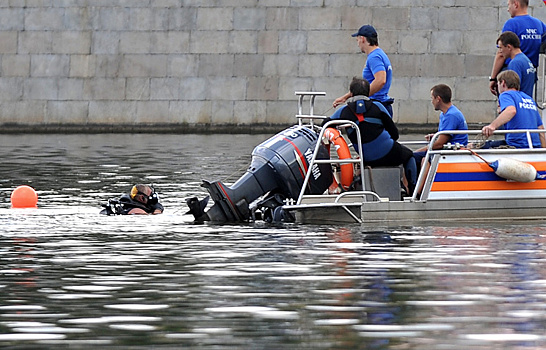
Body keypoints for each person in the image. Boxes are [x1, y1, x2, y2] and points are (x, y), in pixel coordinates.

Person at [323, 77, 416, 195]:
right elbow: (394, 134)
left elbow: (325, 124)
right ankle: (413, 191)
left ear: (351, 93)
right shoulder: (378, 106)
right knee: (409, 156)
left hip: (365, 158)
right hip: (387, 152)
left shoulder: (343, 111)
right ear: (368, 92)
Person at [413, 84, 468, 196]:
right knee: (415, 156)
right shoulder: (446, 114)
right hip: (445, 149)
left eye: (432, 98)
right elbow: (446, 135)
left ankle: (416, 192)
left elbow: (439, 144)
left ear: (438, 99)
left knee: (412, 157)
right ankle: (415, 189)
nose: (431, 101)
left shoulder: (451, 115)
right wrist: (435, 136)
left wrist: (418, 150)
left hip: (449, 152)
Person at [333, 25, 394, 117]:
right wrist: (346, 97)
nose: (358, 44)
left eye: (357, 40)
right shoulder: (380, 54)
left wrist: (363, 97)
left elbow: (381, 80)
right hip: (382, 105)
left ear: (362, 39)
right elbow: (366, 86)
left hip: (377, 106)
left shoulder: (374, 57)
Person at [489, 0, 546, 96]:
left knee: (510, 102)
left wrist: (493, 78)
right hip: (529, 73)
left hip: (511, 72)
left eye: (509, 5)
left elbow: (501, 53)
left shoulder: (512, 24)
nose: (508, 9)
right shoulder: (539, 24)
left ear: (516, 4)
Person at [482, 70, 545, 148]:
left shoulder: (505, 95)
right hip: (535, 146)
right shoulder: (529, 99)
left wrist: (492, 126)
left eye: (497, 84)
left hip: (517, 145)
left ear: (503, 83)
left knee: (482, 146)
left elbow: (511, 111)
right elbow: (540, 128)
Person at [495, 31, 536, 97]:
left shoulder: (515, 63)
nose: (500, 51)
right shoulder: (526, 60)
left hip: (517, 104)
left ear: (509, 47)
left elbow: (512, 90)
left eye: (500, 48)